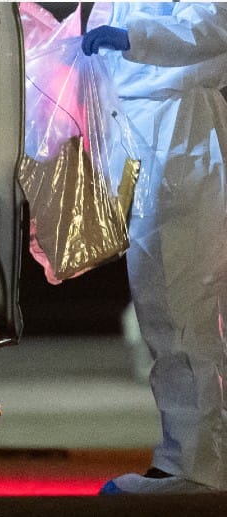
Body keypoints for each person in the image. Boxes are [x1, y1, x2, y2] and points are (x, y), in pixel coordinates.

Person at [81, 3, 227, 495]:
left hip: (177, 128)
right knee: (167, 303)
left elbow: (215, 21)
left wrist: (131, 37)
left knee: (181, 306)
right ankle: (194, 460)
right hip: (147, 127)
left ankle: (194, 467)